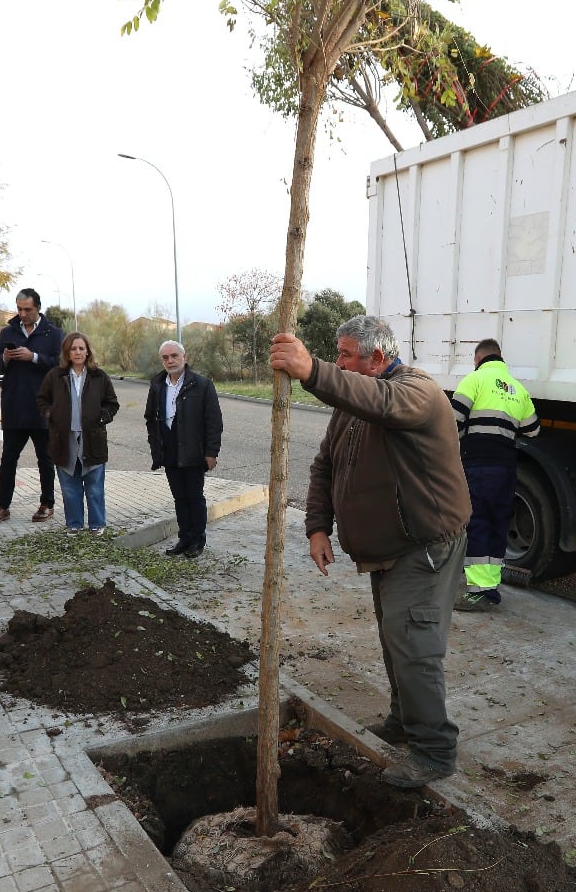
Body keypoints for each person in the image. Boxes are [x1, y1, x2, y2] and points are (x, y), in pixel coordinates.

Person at [270, 317, 470, 788]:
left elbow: (383, 403)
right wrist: (318, 527)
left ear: (378, 358)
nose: (339, 363)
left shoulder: (417, 391)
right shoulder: (352, 403)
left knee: (414, 645)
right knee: (394, 638)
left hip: (423, 547)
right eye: (336, 355)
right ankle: (405, 722)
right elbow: (325, 465)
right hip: (386, 549)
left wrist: (312, 370)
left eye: (345, 356)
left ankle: (434, 751)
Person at [449, 337, 539, 612]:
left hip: (478, 464)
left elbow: (452, 421)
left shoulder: (474, 380)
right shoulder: (518, 389)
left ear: (478, 359)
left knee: (477, 521)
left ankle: (479, 591)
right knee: (498, 522)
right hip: (507, 467)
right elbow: (533, 430)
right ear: (500, 358)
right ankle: (490, 585)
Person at [144, 340, 222, 557]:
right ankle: (184, 539)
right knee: (179, 498)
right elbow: (150, 418)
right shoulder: (157, 384)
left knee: (194, 497)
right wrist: (156, 448)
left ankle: (198, 541)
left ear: (184, 357)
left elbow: (214, 422)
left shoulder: (202, 384)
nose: (170, 361)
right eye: (165, 357)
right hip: (169, 451)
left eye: (174, 356)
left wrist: (211, 452)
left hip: (194, 452)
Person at [0, 288, 60, 524]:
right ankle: (2, 506)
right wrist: (6, 359)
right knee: (8, 458)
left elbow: (60, 366)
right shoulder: (8, 331)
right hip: (14, 406)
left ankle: (47, 504)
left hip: (42, 407)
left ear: (38, 307)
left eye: (27, 309)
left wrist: (34, 357)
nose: (23, 314)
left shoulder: (53, 333)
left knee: (45, 458)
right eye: (19, 309)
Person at [37, 331, 119, 532]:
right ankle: (74, 525)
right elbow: (42, 399)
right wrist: (50, 415)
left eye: (81, 348)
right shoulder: (56, 375)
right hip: (64, 440)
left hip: (93, 439)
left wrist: (103, 416)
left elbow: (112, 403)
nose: (78, 352)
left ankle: (97, 525)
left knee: (94, 488)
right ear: (67, 352)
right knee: (70, 489)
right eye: (73, 348)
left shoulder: (99, 376)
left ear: (88, 351)